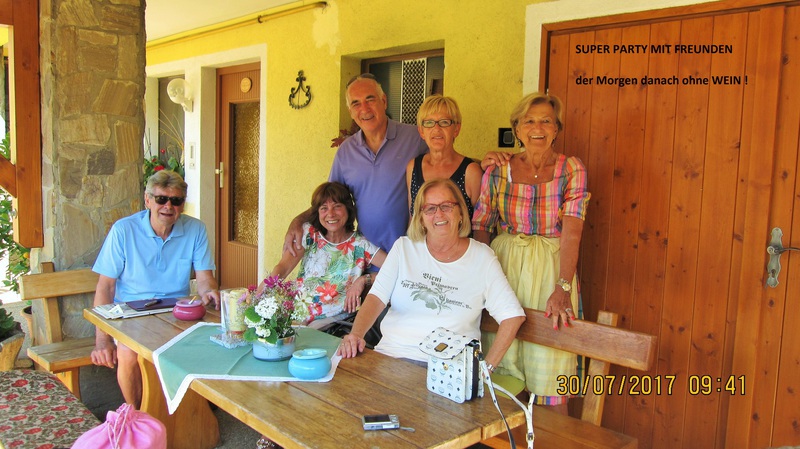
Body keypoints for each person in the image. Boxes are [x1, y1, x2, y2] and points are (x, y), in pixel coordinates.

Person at [472, 92, 590, 414]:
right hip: (504, 269)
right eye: (529, 121)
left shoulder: (571, 169)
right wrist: (481, 282)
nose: (537, 128)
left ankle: (554, 436)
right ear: (517, 129)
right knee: (503, 368)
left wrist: (563, 287)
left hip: (550, 271)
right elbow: (481, 226)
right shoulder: (498, 170)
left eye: (546, 121)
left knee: (551, 367)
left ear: (556, 128)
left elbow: (573, 230)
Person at [338, 179, 525, 368]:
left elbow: (512, 316)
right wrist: (356, 335)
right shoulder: (404, 248)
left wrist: (486, 369)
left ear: (461, 212)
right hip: (392, 356)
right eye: (430, 208)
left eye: (446, 206)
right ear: (420, 218)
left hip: (448, 370)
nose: (439, 214)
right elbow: (377, 297)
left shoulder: (482, 257)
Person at [90, 170, 220, 409]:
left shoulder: (196, 229)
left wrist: (209, 291)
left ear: (182, 204)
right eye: (161, 199)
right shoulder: (123, 230)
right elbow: (105, 287)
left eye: (176, 200)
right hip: (130, 312)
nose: (168, 206)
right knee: (128, 352)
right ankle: (136, 414)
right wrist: (102, 340)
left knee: (209, 341)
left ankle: (191, 413)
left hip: (176, 310)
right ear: (147, 200)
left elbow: (205, 279)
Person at [284, 74, 428, 260]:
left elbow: (444, 167)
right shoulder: (346, 152)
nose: (364, 109)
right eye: (356, 103)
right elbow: (328, 202)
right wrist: (297, 221)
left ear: (384, 101)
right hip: (365, 256)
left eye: (370, 99)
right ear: (350, 112)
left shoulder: (415, 138)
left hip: (411, 253)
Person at [257, 182, 387, 329]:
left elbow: (395, 269)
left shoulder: (361, 245)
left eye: (337, 206)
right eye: (324, 208)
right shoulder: (309, 234)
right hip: (296, 313)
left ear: (348, 209)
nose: (330, 214)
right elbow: (282, 268)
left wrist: (364, 279)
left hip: (331, 321)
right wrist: (256, 300)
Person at [406, 95, 482, 219]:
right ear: (421, 131)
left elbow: (481, 223)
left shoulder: (471, 172)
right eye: (429, 123)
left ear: (456, 129)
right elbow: (412, 217)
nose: (436, 129)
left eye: (444, 122)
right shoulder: (413, 167)